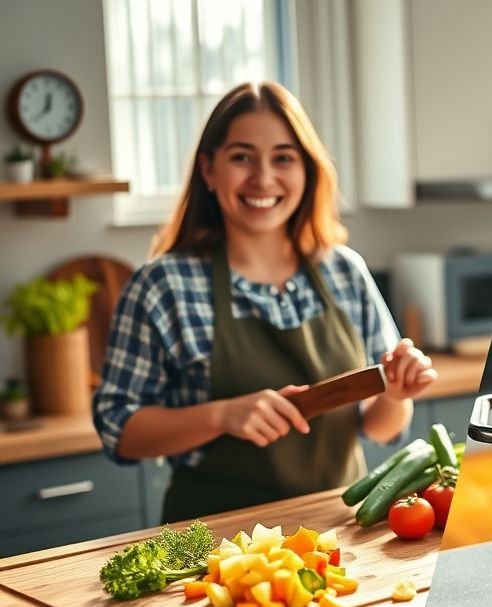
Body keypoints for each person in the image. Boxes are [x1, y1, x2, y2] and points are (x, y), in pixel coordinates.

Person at [93, 81, 436, 522]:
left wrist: (397, 394)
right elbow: (118, 427)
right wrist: (221, 415)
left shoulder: (344, 271)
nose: (263, 178)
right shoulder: (163, 285)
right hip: (211, 540)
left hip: (334, 532)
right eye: (242, 157)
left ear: (307, 171)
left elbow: (379, 426)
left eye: (283, 158)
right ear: (209, 169)